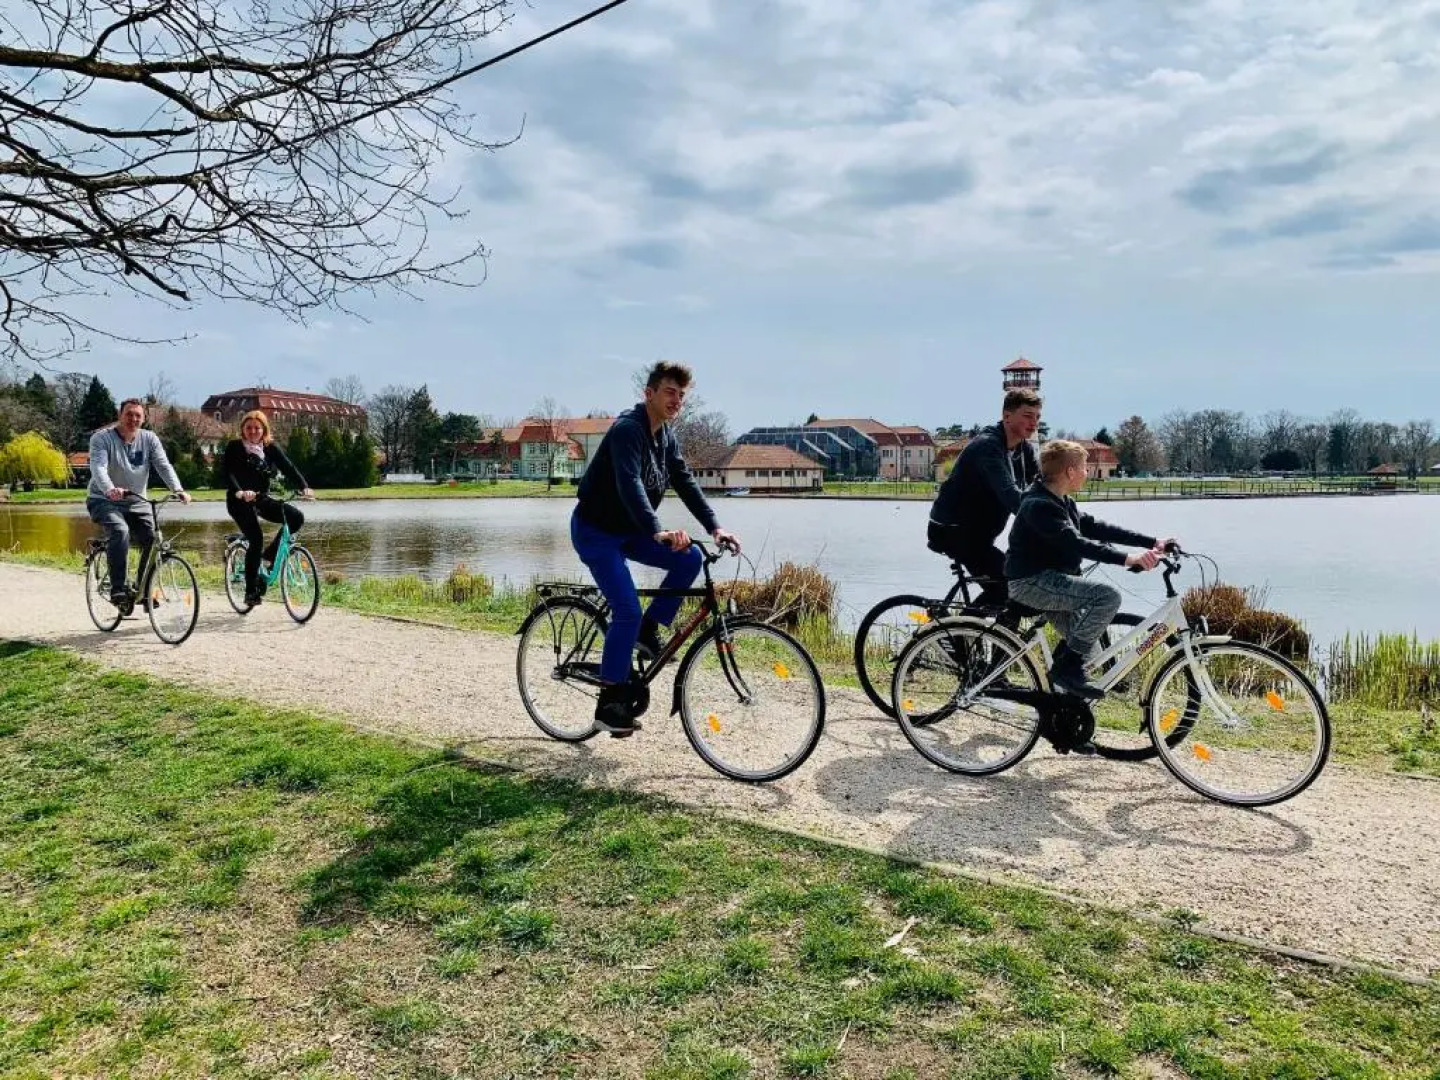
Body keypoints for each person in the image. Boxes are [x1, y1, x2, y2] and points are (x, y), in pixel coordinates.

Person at [572, 362, 742, 737]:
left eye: (682, 395)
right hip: (596, 531)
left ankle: (649, 630)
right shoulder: (626, 430)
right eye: (670, 392)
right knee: (626, 609)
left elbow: (684, 482)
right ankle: (610, 702)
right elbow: (630, 483)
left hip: (631, 530)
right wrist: (658, 530)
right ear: (648, 393)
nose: (677, 401)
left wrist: (715, 527)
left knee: (692, 557)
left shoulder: (666, 437)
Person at [1006, 440, 1174, 699]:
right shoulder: (1039, 505)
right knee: (1107, 596)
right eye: (1084, 468)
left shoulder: (1062, 501)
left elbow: (1098, 529)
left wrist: (1153, 542)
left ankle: (1064, 717)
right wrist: (1130, 559)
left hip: (1052, 582)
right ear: (1070, 472)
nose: (1087, 473)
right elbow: (1076, 543)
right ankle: (1065, 669)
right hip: (1031, 582)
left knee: (1091, 653)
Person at [928, 387, 1042, 609]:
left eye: (1037, 417)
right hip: (953, 531)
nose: (1034, 423)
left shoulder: (1024, 450)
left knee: (1014, 586)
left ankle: (989, 636)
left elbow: (1044, 492)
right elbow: (1011, 498)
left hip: (980, 534)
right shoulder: (987, 447)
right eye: (1028, 416)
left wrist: (1071, 520)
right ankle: (963, 634)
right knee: (1012, 588)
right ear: (1007, 416)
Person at [86, 398, 192, 605]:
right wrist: (109, 489)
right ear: (120, 415)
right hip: (104, 500)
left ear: (143, 419)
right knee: (120, 531)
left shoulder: (149, 439)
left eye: (138, 415)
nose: (133, 419)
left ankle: (143, 589)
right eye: (129, 414)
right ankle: (118, 589)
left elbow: (163, 465)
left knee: (153, 540)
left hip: (137, 501)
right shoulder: (101, 438)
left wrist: (178, 489)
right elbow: (98, 467)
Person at [220, 411, 314, 608]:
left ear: (264, 430)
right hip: (238, 501)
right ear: (243, 430)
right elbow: (228, 473)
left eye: (257, 428)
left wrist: (304, 485)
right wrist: (239, 491)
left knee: (295, 517)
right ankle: (250, 591)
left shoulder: (270, 448)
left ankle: (269, 557)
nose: (253, 431)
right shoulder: (235, 447)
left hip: (261, 499)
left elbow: (288, 467)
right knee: (256, 538)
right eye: (249, 428)